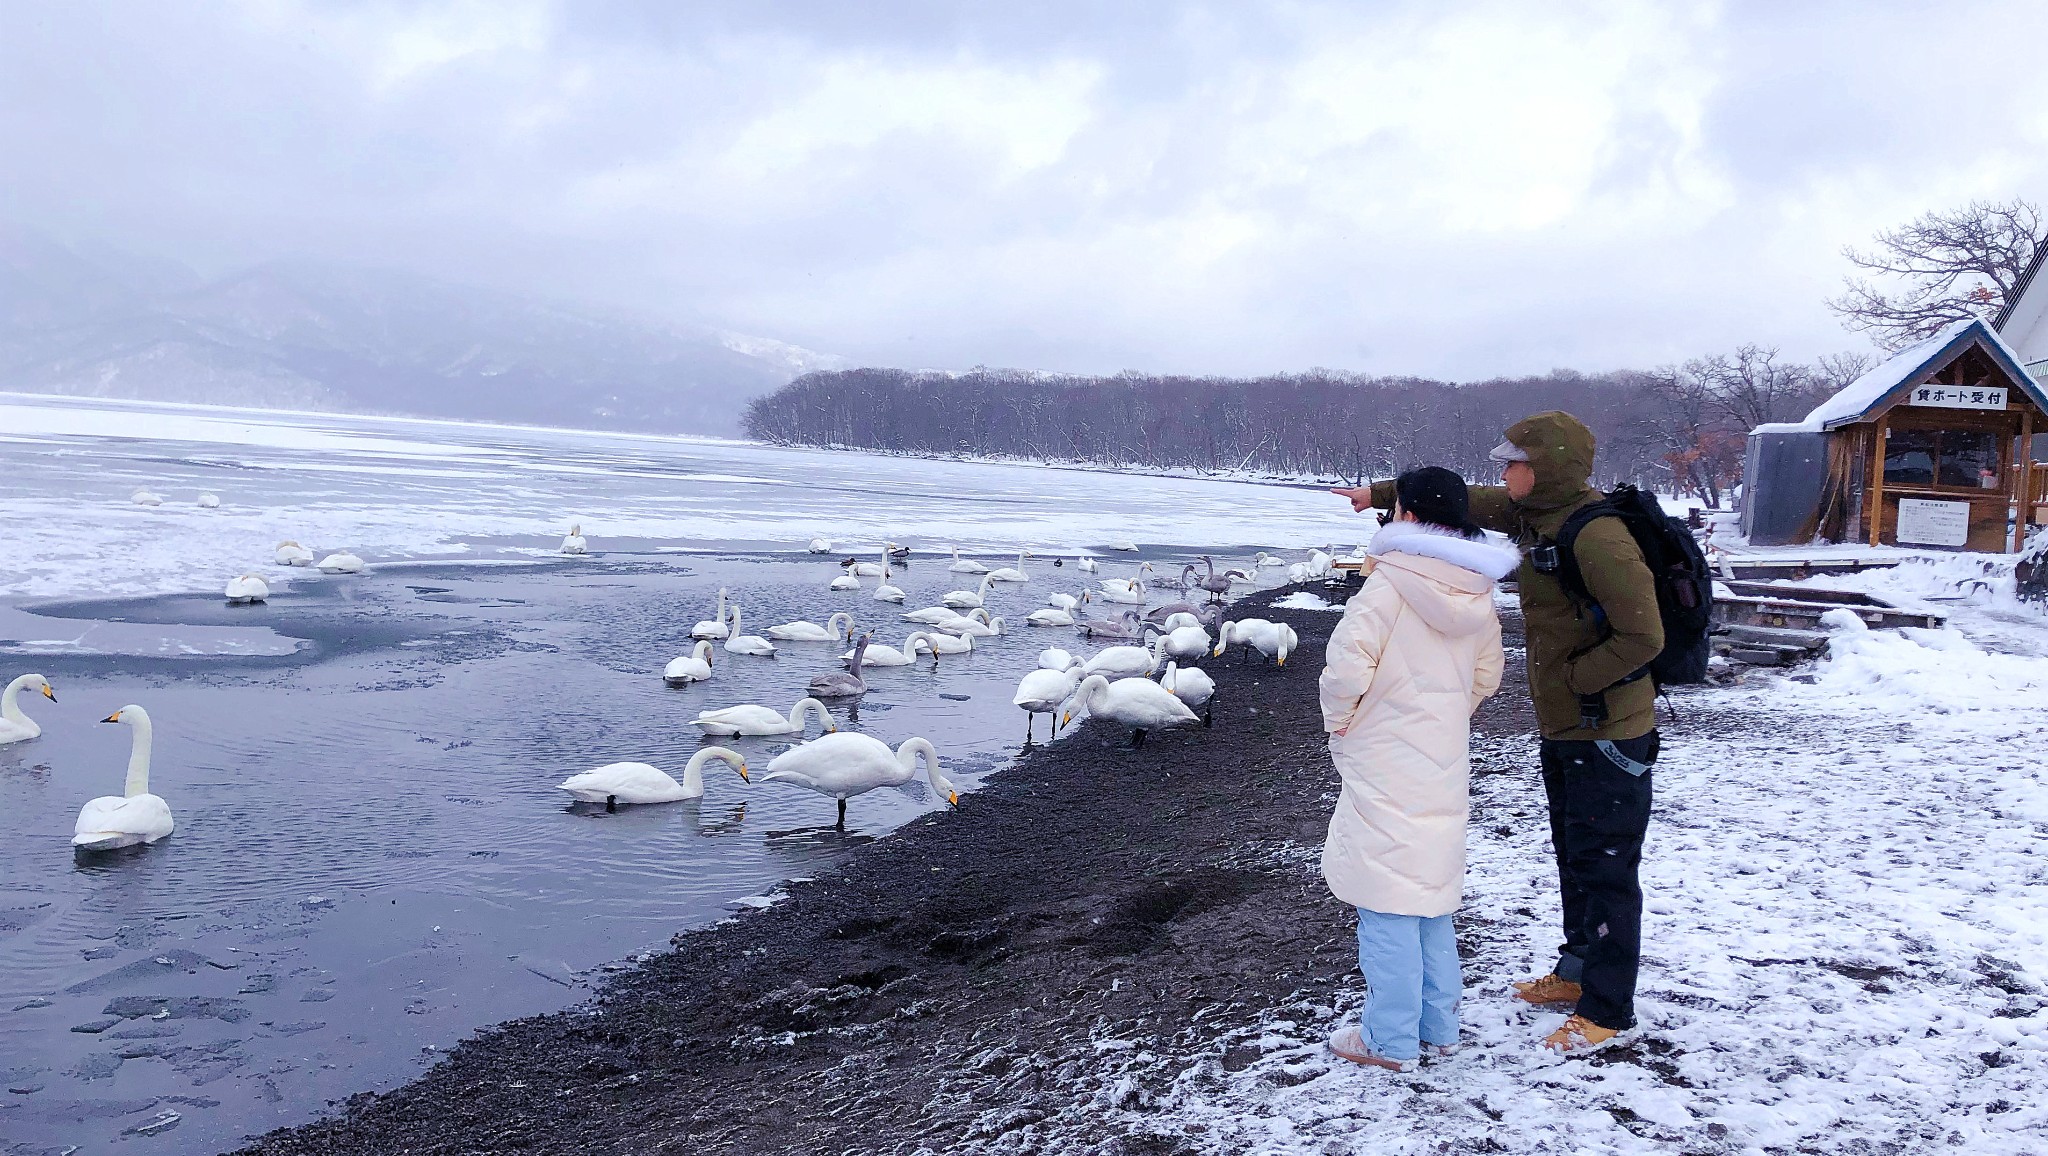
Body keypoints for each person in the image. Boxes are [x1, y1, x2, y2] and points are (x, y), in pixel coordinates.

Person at [1332, 412, 1664, 1054]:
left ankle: (1608, 1006)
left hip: (1610, 729)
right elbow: (1461, 501)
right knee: (1575, 853)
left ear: (1547, 468)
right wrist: (1378, 495)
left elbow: (1644, 636)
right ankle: (1577, 971)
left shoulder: (1598, 536)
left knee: (1607, 866)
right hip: (1570, 725)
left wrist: (1576, 679)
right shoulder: (1536, 512)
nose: (1502, 472)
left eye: (1514, 462)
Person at [1319, 466, 1516, 1070]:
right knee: (1429, 890)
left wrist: (1342, 722)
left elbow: (1345, 671)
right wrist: (1447, 711)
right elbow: (1487, 676)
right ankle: (1439, 1024)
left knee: (1385, 894)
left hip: (1384, 750)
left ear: (1405, 514)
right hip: (1442, 749)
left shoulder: (1386, 587)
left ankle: (1390, 1039)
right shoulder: (1477, 591)